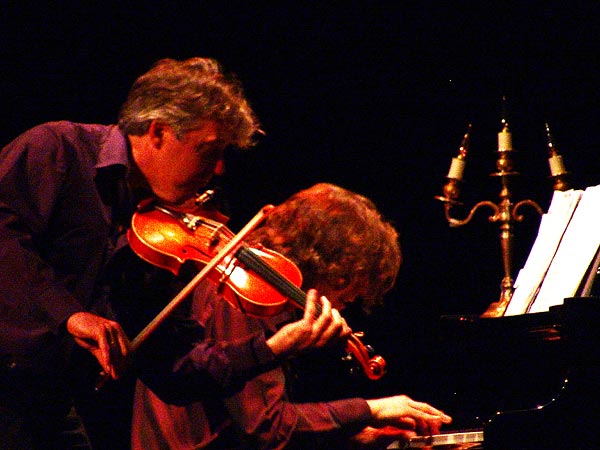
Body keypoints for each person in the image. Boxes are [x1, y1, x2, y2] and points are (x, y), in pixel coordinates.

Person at [0, 58, 351, 450]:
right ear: (159, 132)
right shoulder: (59, 149)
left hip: (48, 403)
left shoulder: (164, 241)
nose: (218, 169)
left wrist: (274, 347)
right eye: (208, 150)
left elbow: (173, 370)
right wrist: (69, 314)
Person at [132, 183, 452, 450]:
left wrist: (357, 435)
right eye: (346, 290)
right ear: (332, 266)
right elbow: (267, 428)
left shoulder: (268, 294)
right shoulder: (243, 297)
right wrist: (371, 409)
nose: (344, 306)